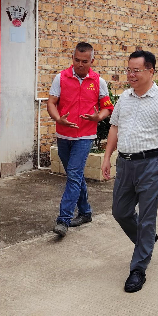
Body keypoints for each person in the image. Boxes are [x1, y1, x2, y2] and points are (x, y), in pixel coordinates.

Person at [102, 50, 158, 293]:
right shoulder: (124, 98)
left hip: (151, 165)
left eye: (136, 70)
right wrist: (107, 157)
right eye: (129, 70)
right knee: (120, 211)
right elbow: (114, 127)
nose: (131, 75)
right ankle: (146, 240)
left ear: (151, 71)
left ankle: (138, 269)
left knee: (147, 218)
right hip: (125, 164)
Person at [47, 42, 114, 236]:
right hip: (63, 135)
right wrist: (58, 119)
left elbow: (107, 107)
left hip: (85, 136)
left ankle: (63, 219)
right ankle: (85, 212)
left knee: (74, 174)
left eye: (84, 61)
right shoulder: (61, 78)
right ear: (73, 58)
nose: (80, 64)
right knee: (74, 176)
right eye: (76, 60)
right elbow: (51, 103)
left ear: (92, 60)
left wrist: (98, 117)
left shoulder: (99, 81)